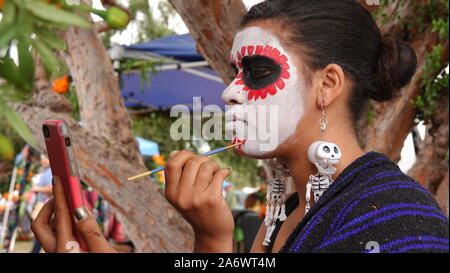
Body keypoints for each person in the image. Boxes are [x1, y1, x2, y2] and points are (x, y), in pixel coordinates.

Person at [31, 0, 448, 253]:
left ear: (328, 84)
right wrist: (212, 238)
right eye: (234, 73)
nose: (230, 92)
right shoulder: (287, 208)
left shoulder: (399, 222)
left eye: (257, 70)